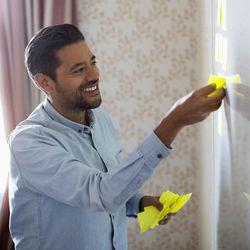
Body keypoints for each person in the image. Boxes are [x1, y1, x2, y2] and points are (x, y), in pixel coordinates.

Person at [8, 24, 225, 250]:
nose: (94, 75)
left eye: (93, 62)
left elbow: (110, 185)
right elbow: (101, 193)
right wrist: (173, 121)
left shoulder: (100, 120)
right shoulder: (28, 142)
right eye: (78, 69)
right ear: (44, 82)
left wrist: (138, 203)